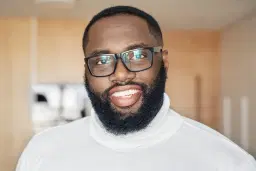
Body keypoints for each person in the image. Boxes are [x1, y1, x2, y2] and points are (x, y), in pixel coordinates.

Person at [16, 6, 256, 171]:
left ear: (164, 61)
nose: (120, 74)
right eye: (101, 60)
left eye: (138, 55)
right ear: (87, 71)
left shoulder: (227, 162)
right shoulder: (43, 152)